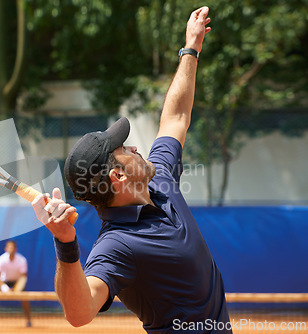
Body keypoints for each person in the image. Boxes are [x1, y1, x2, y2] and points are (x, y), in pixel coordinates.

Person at [32, 6, 232, 333]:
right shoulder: (118, 245)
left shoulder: (160, 181)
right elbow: (79, 313)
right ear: (119, 176)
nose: (135, 148)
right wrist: (66, 244)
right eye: (124, 149)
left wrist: (191, 50)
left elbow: (176, 117)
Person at [0, 240, 31, 328]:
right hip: (3, 282)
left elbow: (23, 277)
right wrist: (5, 288)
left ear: (16, 249)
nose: (11, 249)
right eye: (9, 247)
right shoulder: (0, 260)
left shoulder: (22, 260)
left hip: (17, 282)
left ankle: (28, 321)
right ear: (6, 249)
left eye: (13, 247)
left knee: (25, 299)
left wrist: (17, 289)